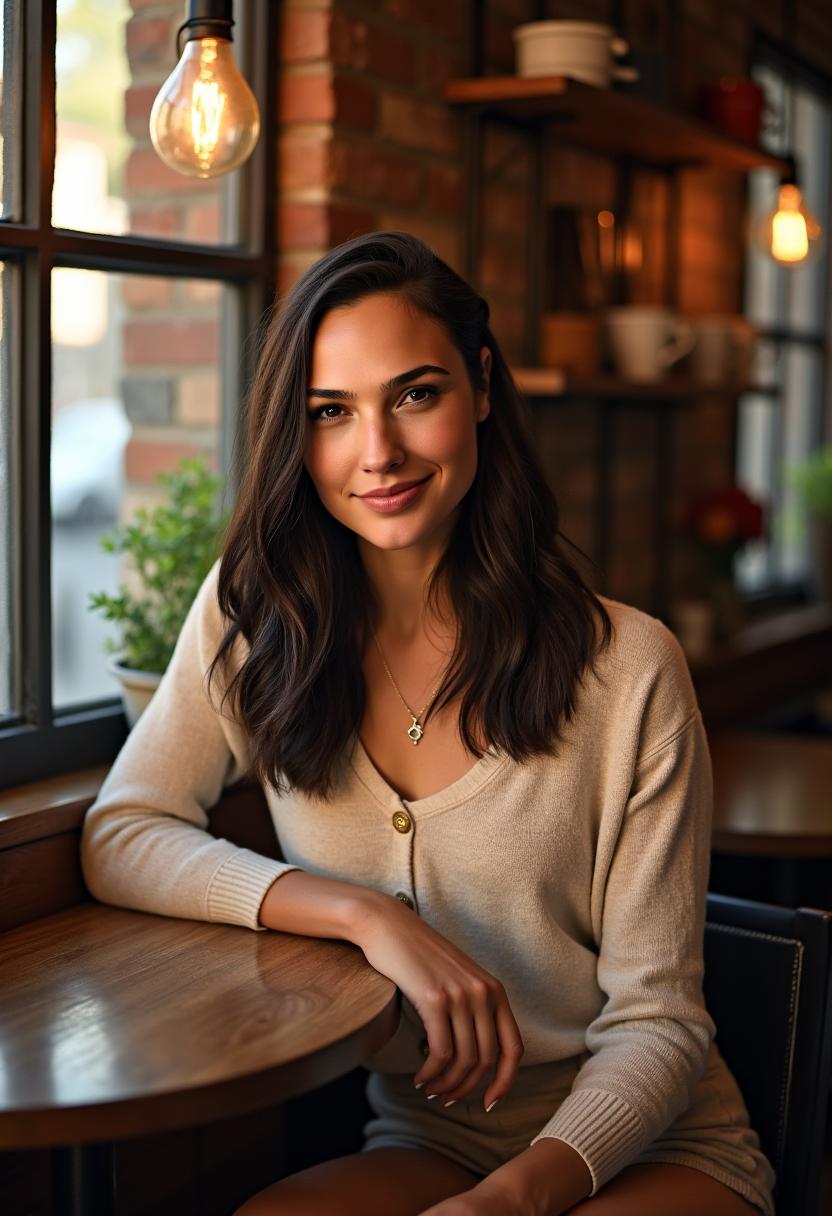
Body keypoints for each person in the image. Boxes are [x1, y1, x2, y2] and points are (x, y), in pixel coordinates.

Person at [81, 231, 776, 1216]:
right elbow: (123, 832)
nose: (379, 453)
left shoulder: (629, 670)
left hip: (652, 1148)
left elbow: (659, 1024)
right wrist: (366, 915)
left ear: (481, 387)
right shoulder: (260, 618)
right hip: (433, 1136)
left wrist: (508, 1202)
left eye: (415, 394)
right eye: (330, 412)